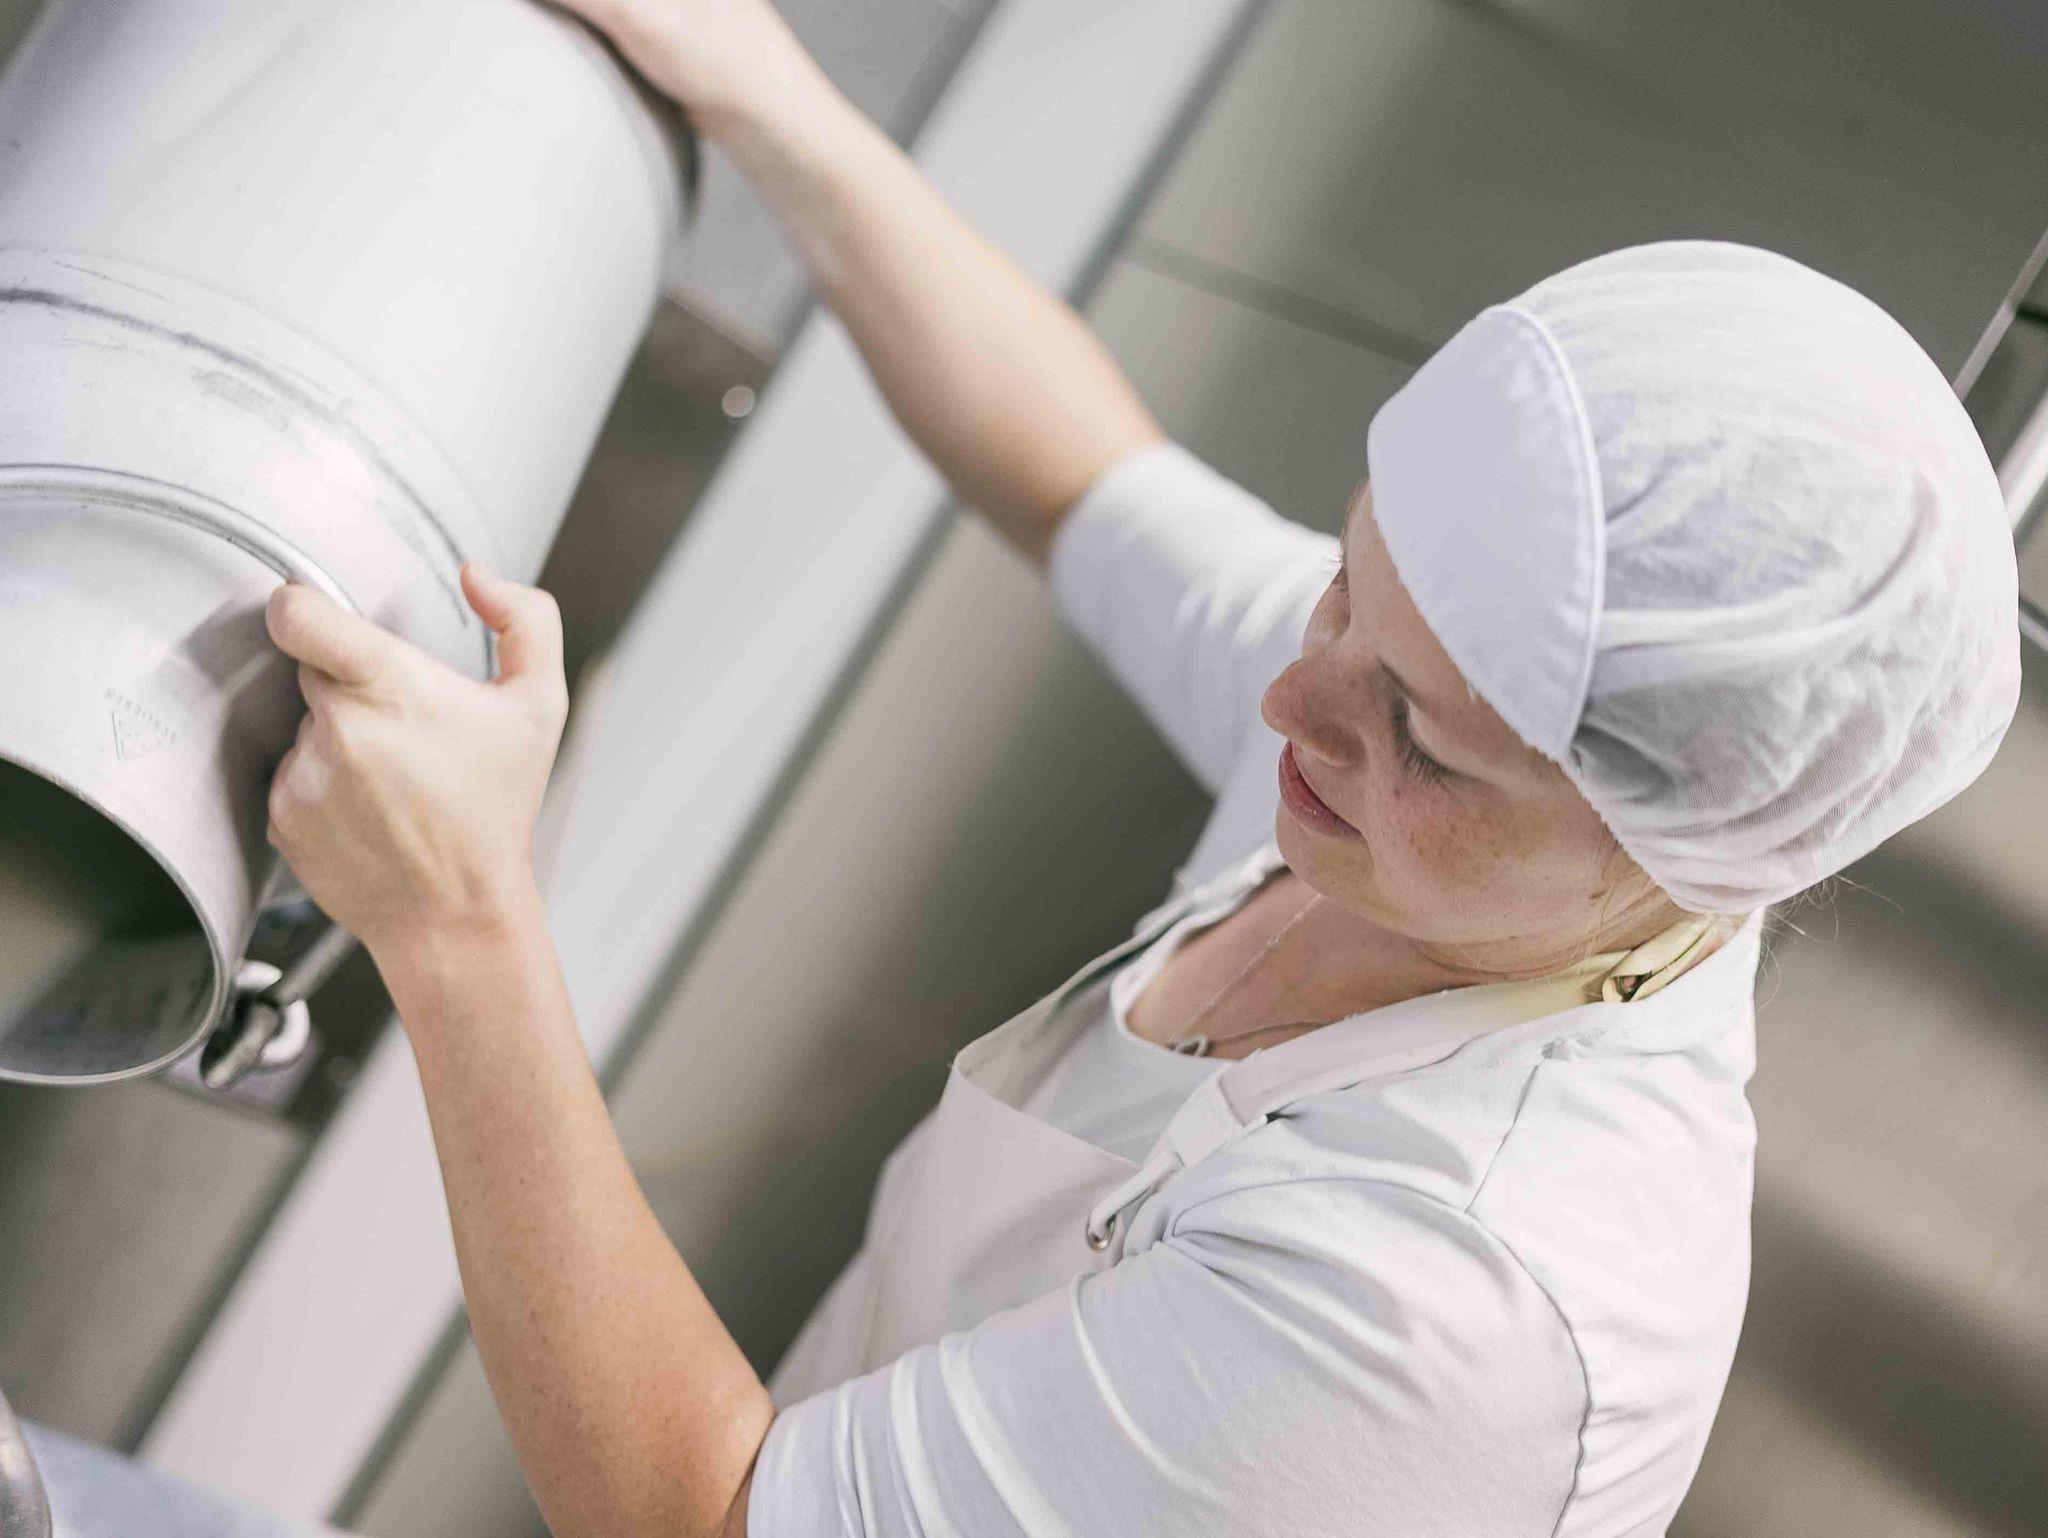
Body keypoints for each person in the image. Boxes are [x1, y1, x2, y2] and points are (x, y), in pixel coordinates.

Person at [258, 2, 2021, 1534]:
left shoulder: (1456, 1302)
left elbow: (710, 1514)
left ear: (1683, 855)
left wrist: (462, 924)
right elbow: (1086, 479)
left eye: (1419, 733)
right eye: (1348, 578)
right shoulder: (1451, 796)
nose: (1297, 700)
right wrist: (765, 90)